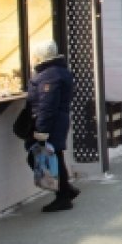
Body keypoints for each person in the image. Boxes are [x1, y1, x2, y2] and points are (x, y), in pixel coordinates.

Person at [27, 40, 78, 212]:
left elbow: (48, 107)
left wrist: (41, 131)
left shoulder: (49, 76)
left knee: (42, 156)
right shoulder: (58, 72)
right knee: (55, 157)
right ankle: (66, 190)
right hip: (58, 121)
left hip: (52, 123)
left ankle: (63, 196)